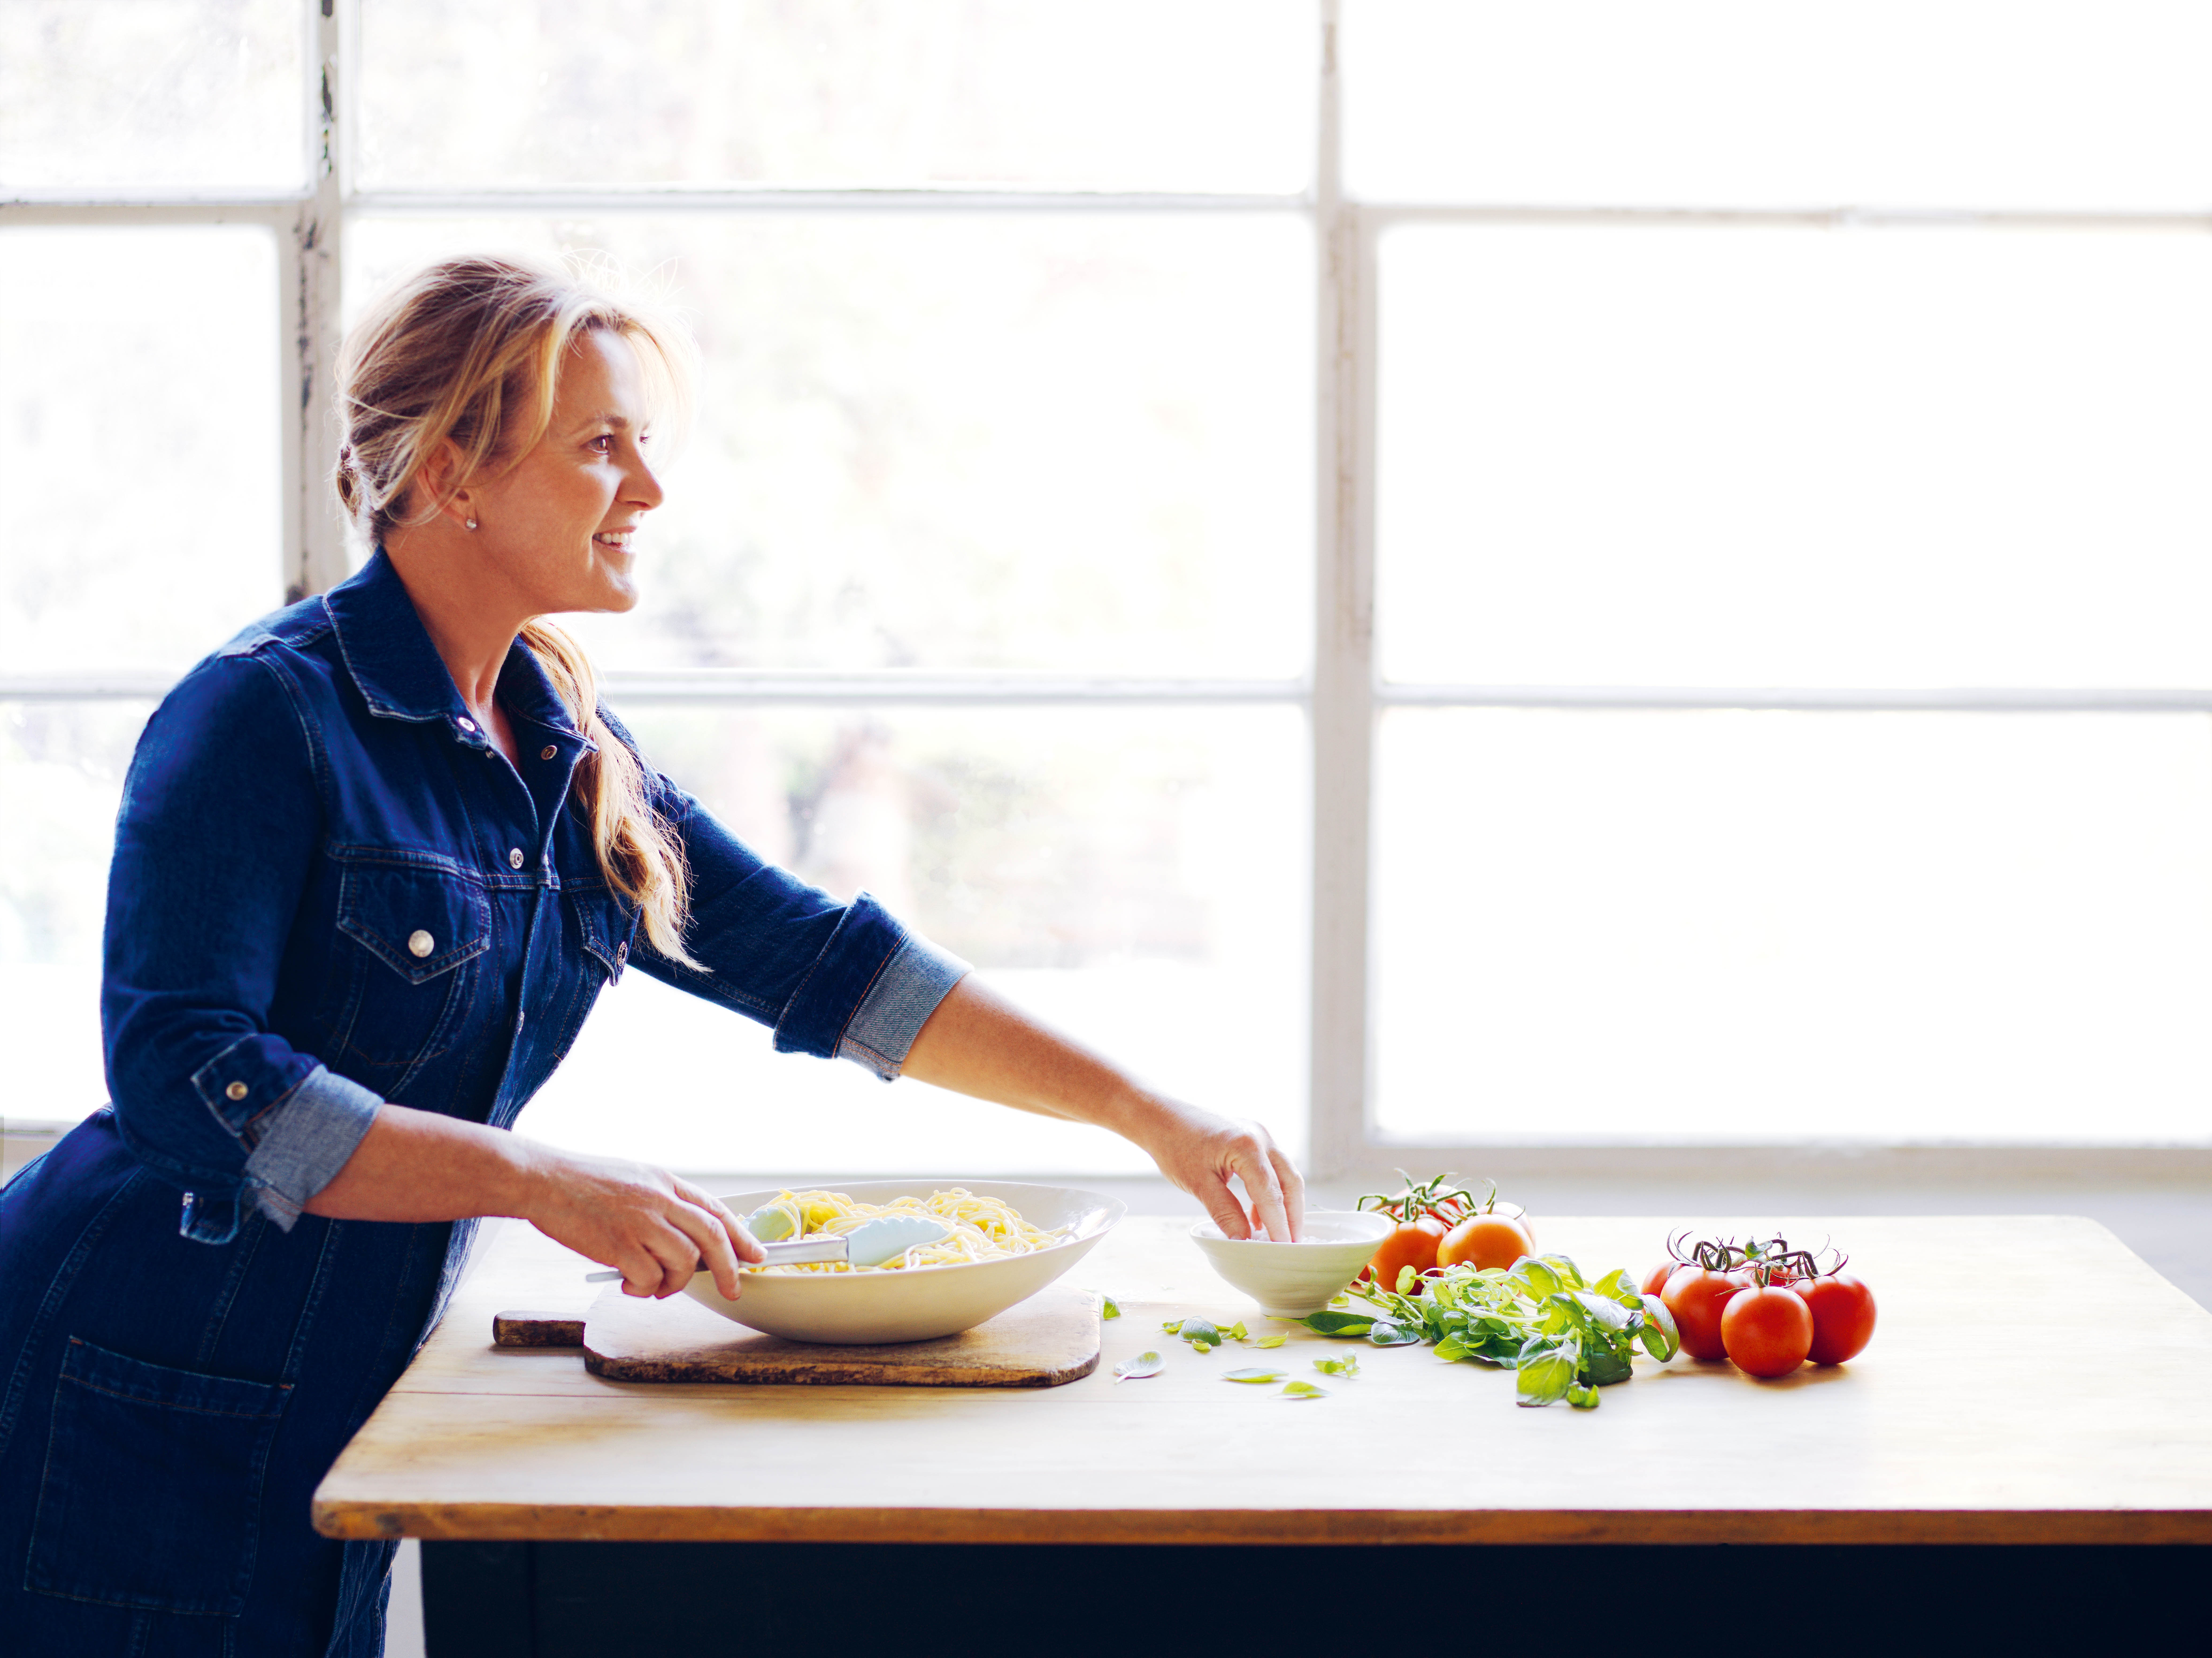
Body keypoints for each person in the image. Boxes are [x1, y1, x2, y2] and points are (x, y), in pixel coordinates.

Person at [0, 255, 1304, 1655]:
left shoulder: (567, 748)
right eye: (600, 446)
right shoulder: (260, 714)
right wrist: (542, 1185)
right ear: (454, 475)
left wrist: (1147, 1112)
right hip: (125, 1375)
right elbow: (185, 1073)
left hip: (334, 1394)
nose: (651, 490)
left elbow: (826, 963)